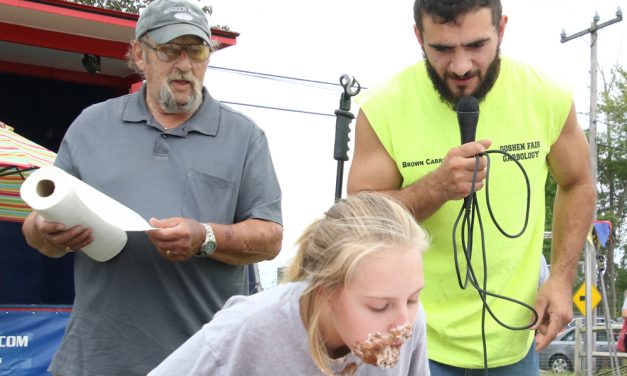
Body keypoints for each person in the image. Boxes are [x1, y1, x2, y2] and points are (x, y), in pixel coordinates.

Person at [21, 0, 283, 374]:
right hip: (94, 361)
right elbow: (38, 226)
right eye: (169, 49)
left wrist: (206, 237)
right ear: (139, 55)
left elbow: (271, 238)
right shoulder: (90, 125)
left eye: (196, 50)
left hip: (202, 362)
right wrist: (46, 231)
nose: (184, 64)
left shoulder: (244, 137)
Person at [347, 0, 595, 374]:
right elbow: (358, 217)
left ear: (502, 29)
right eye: (442, 49)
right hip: (412, 346)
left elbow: (577, 182)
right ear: (419, 36)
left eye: (477, 45)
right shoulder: (382, 107)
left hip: (516, 342)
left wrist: (561, 279)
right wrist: (432, 190)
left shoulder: (547, 96)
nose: (461, 66)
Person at [149, 192, 431, 375]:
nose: (402, 324)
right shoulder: (247, 328)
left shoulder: (409, 323)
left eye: (412, 299)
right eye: (379, 306)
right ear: (325, 292)